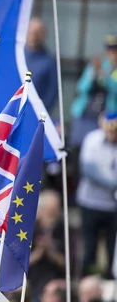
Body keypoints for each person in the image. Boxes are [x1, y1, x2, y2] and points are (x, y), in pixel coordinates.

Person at [77, 112, 117, 278]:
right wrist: (112, 183)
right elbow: (88, 170)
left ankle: (109, 280)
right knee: (89, 245)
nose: (112, 135)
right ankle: (85, 279)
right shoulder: (92, 139)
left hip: (113, 206)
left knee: (112, 247)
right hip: (91, 202)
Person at [70, 35, 117, 147]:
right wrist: (93, 74)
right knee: (78, 147)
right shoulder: (97, 65)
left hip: (107, 120)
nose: (112, 53)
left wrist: (104, 75)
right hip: (85, 115)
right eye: (110, 50)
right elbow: (81, 88)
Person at [28, 190, 66, 301]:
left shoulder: (63, 230)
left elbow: (68, 263)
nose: (54, 215)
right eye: (49, 212)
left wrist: (50, 250)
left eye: (56, 211)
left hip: (56, 278)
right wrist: (39, 251)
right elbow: (20, 263)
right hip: (33, 278)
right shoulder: (30, 230)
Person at [25, 18, 58, 111]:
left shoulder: (49, 61)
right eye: (31, 32)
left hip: (34, 113)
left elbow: (52, 92)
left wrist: (40, 111)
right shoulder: (18, 56)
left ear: (43, 35)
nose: (33, 36)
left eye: (37, 33)